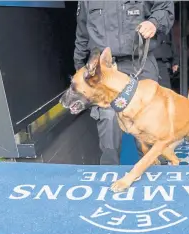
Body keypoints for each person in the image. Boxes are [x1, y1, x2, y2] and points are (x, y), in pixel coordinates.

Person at [74, 1, 175, 165]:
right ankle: (110, 174)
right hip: (103, 69)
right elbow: (82, 33)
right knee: (108, 119)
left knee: (149, 122)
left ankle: (155, 174)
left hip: (139, 63)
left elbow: (165, 7)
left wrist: (154, 22)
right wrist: (79, 67)